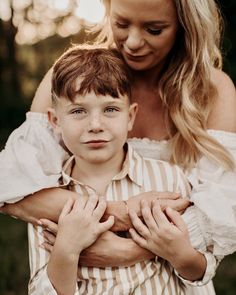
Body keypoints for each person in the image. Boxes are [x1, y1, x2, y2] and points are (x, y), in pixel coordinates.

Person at [0, 0, 236, 293]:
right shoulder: (73, 76)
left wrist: (130, 251)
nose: (134, 42)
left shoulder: (211, 89)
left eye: (154, 29)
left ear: (185, 27)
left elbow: (220, 211)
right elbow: (12, 185)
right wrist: (117, 213)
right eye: (122, 24)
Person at [29, 45, 212, 294]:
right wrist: (67, 250)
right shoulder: (46, 199)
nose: (95, 125)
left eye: (111, 109)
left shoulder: (168, 179)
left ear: (130, 116)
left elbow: (201, 276)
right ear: (55, 121)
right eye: (78, 111)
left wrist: (180, 254)